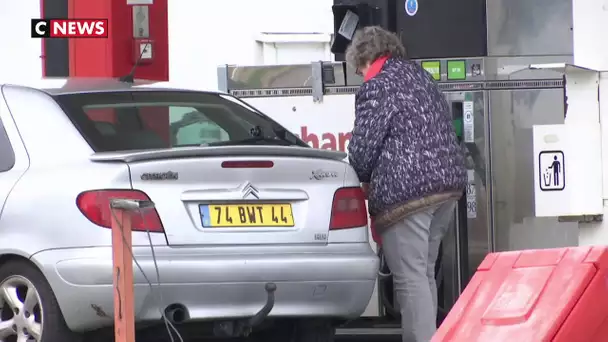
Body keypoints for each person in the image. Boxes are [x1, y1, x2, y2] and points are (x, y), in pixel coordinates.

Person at [346, 26, 467, 342]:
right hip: (446, 188)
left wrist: (358, 176)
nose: (362, 76)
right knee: (423, 272)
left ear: (364, 58)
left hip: (407, 194)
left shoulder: (378, 86)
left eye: (359, 70)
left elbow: (363, 148)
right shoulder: (420, 77)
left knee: (410, 279)